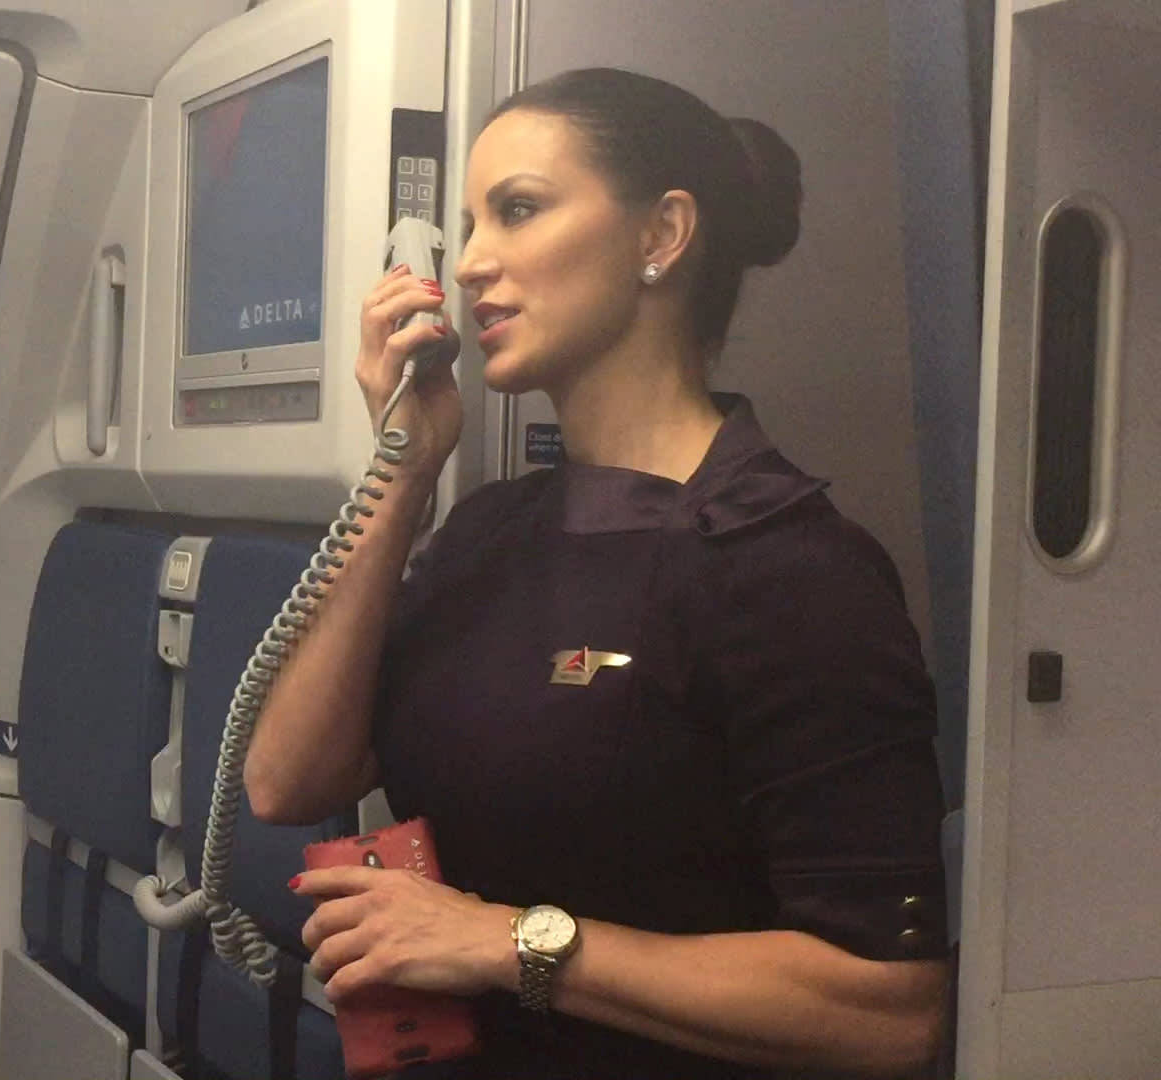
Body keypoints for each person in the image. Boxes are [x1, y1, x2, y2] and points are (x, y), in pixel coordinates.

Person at [244, 68, 951, 1078]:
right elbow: (287, 779)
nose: (472, 265)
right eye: (469, 227)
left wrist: (501, 942)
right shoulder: (490, 531)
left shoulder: (788, 566)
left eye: (519, 212)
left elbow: (888, 1011)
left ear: (661, 236)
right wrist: (402, 464)